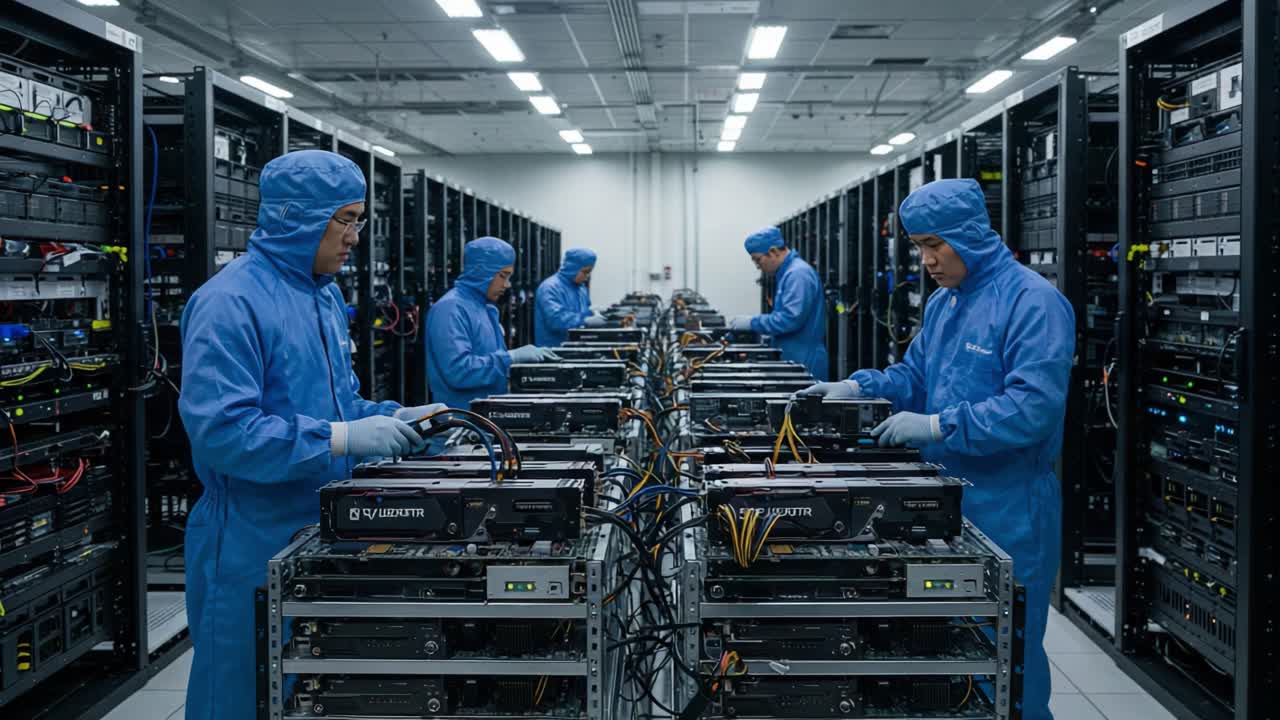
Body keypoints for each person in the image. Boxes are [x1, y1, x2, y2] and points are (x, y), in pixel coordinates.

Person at [178, 150, 445, 720]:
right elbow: (224, 432)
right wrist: (341, 438)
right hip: (250, 540)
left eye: (359, 220)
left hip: (322, 526)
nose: (355, 237)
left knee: (314, 691)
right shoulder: (229, 302)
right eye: (345, 219)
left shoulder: (323, 295)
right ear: (298, 216)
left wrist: (395, 417)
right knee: (241, 694)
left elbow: (338, 406)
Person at [797, 179, 1072, 720]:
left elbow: (1031, 410)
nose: (924, 260)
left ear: (968, 236)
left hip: (1011, 504)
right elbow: (915, 373)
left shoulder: (1034, 302)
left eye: (932, 246)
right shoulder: (946, 303)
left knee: (1006, 657)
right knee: (945, 650)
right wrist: (857, 387)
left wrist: (937, 425)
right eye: (918, 247)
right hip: (946, 499)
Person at [426, 236, 558, 408]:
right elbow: (458, 371)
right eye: (503, 276)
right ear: (482, 272)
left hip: (486, 418)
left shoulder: (484, 308)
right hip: (462, 421)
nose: (507, 285)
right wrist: (511, 358)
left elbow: (487, 360)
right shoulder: (450, 309)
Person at [729, 226, 828, 380]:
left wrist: (753, 323)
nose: (757, 266)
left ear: (773, 252)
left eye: (758, 259)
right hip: (794, 355)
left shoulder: (797, 274)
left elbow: (790, 319)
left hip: (804, 359)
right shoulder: (788, 273)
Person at [535, 247, 604, 346]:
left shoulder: (581, 288)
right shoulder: (549, 288)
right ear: (572, 268)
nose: (587, 276)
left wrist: (592, 312)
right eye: (585, 272)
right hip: (553, 351)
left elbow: (582, 312)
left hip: (576, 348)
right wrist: (585, 320)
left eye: (589, 272)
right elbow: (556, 320)